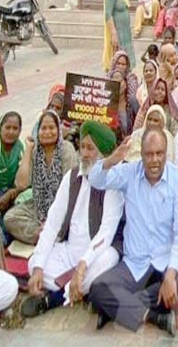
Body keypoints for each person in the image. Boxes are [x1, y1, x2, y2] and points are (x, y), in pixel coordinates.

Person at [88, 128, 178, 335]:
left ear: (166, 153)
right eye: (149, 154)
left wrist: (170, 275)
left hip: (163, 263)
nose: (154, 160)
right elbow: (95, 179)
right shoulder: (129, 173)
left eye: (159, 153)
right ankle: (153, 316)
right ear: (141, 154)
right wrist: (112, 159)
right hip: (134, 263)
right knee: (97, 289)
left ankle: (116, 308)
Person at [21, 122, 124, 317]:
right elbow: (52, 223)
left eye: (90, 148)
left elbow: (106, 232)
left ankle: (56, 298)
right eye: (82, 147)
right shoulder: (72, 176)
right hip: (69, 251)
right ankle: (78, 290)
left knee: (110, 258)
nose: (84, 153)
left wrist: (82, 266)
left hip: (96, 254)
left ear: (103, 154)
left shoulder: (113, 182)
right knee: (33, 262)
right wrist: (38, 268)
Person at [4, 112, 77, 245]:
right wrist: (28, 149)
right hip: (39, 206)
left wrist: (53, 217)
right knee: (9, 218)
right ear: (38, 131)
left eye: (52, 128)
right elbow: (21, 183)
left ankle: (50, 233)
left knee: (72, 224)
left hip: (63, 207)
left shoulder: (66, 148)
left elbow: (70, 189)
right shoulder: (34, 151)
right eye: (43, 128)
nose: (47, 132)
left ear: (58, 130)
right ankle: (42, 235)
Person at [102, 0, 135, 72]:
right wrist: (113, 34)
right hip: (117, 32)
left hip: (125, 32)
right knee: (118, 60)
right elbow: (108, 14)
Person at [0, 112, 24, 238]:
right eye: (7, 127)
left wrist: (10, 193)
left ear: (20, 131)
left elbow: (24, 180)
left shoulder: (21, 148)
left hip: (11, 193)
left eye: (15, 128)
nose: (11, 132)